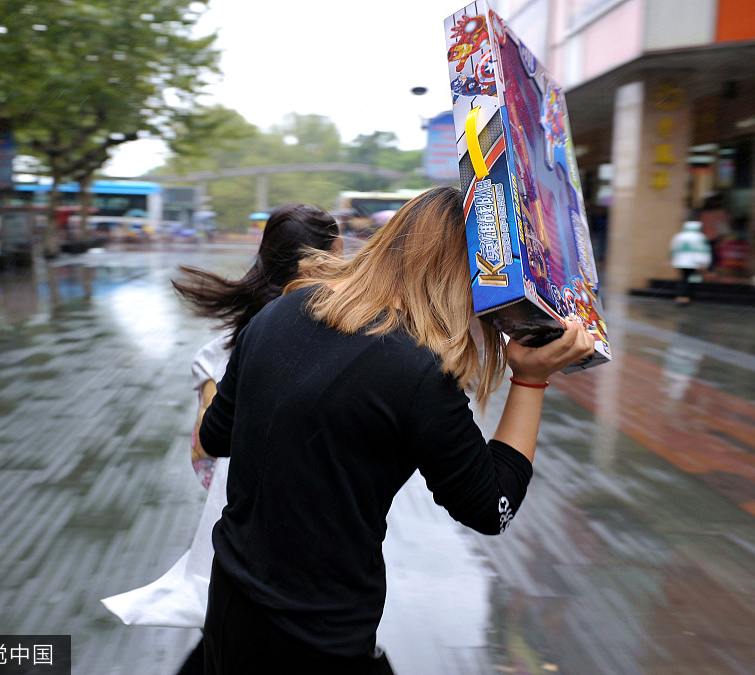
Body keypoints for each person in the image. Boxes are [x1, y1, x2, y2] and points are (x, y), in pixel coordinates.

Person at [196, 186, 595, 674]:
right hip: (316, 636)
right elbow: (493, 507)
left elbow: (216, 437)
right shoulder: (418, 372)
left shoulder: (277, 313)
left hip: (228, 606)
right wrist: (530, 380)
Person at [100, 203, 342, 675]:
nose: (348, 263)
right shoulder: (284, 330)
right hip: (271, 516)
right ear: (314, 262)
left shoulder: (252, 327)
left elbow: (204, 438)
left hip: (251, 516)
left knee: (234, 631)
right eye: (339, 253)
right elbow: (209, 439)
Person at [670, 220, 712, 305]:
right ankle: (689, 295)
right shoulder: (700, 237)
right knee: (692, 279)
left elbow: (672, 249)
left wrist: (673, 260)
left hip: (681, 262)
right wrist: (705, 263)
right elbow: (703, 250)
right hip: (695, 263)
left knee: (684, 278)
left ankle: (682, 296)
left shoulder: (679, 236)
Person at [698, 194, 730, 272]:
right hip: (713, 237)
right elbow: (723, 227)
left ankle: (707, 270)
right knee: (713, 255)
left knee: (707, 255)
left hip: (704, 238)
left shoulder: (703, 213)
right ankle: (710, 271)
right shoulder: (719, 213)